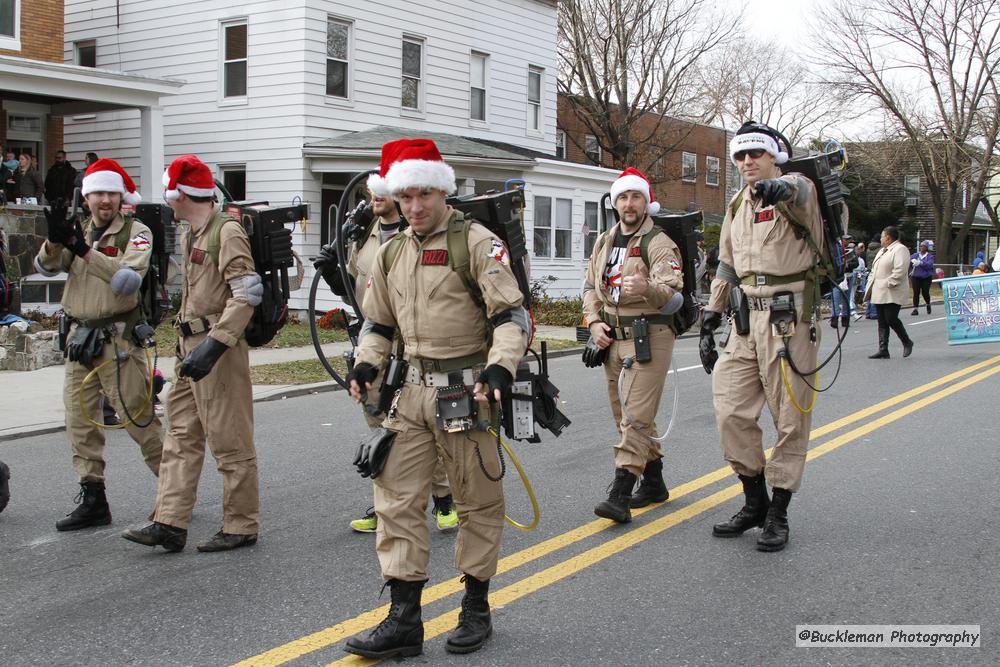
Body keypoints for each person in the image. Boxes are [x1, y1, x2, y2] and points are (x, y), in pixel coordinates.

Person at [343, 138, 529, 658]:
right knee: (397, 502)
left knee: (476, 502)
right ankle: (405, 620)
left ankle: (475, 606)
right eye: (406, 197)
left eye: (425, 195)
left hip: (465, 392)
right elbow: (378, 322)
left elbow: (511, 317)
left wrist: (499, 366)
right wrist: (367, 362)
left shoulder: (476, 242)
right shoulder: (391, 251)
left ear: (442, 191)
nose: (416, 207)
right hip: (410, 393)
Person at [122, 154, 263, 553]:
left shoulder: (227, 232)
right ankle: (169, 523)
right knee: (180, 436)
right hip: (189, 348)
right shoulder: (191, 233)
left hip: (218, 349)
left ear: (180, 193)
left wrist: (215, 345)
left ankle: (241, 524)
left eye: (170, 193)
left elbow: (247, 295)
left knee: (229, 437)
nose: (167, 201)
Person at [699, 121, 825, 553]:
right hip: (743, 320)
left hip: (788, 320)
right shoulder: (737, 203)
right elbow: (728, 265)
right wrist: (712, 313)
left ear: (774, 156)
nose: (748, 161)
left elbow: (801, 189)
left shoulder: (796, 189)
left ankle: (779, 511)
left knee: (789, 418)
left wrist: (783, 186)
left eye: (756, 153)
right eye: (740, 155)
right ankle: (755, 500)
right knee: (730, 411)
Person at [314, 175, 459, 535]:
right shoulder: (362, 233)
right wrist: (331, 271)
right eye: (370, 192)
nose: (374, 197)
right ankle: (386, 503)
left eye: (381, 191)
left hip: (412, 346)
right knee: (380, 425)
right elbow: (353, 288)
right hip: (373, 341)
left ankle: (443, 498)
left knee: (425, 423)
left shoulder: (414, 234)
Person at [34, 158, 163, 531]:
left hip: (117, 340)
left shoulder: (136, 233)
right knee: (79, 422)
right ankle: (93, 499)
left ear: (121, 196)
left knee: (138, 419)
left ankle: (174, 491)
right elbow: (46, 267)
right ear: (86, 197)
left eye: (110, 193)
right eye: (97, 194)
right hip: (80, 339)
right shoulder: (83, 229)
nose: (104, 200)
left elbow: (127, 281)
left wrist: (83, 249)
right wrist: (56, 239)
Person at [582, 167, 684, 523]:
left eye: (636, 196)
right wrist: (593, 322)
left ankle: (620, 495)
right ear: (615, 201)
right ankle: (654, 484)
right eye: (623, 197)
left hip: (649, 337)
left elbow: (674, 298)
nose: (629, 203)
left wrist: (647, 290)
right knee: (623, 416)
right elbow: (589, 288)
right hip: (612, 338)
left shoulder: (658, 243)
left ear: (646, 202)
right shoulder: (604, 241)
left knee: (636, 419)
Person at [863, 225, 914, 359]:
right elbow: (875, 269)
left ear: (888, 237)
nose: (880, 238)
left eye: (882, 236)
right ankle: (883, 348)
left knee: (891, 318)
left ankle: (907, 341)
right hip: (879, 290)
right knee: (882, 321)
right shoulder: (882, 251)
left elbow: (900, 269)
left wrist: (889, 282)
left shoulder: (900, 249)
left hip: (892, 290)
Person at [830, 240, 860, 328]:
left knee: (845, 298)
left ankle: (843, 319)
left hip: (847, 276)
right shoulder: (836, 251)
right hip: (839, 277)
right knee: (838, 298)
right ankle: (837, 319)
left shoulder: (850, 252)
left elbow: (856, 263)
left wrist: (847, 265)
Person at [909, 239, 935, 315]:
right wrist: (911, 265)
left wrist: (920, 263)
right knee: (916, 292)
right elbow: (909, 264)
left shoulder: (930, 256)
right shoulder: (915, 255)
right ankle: (915, 309)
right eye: (921, 246)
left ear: (927, 248)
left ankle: (928, 304)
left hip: (926, 277)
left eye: (923, 246)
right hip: (916, 276)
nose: (921, 247)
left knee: (925, 292)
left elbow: (929, 265)